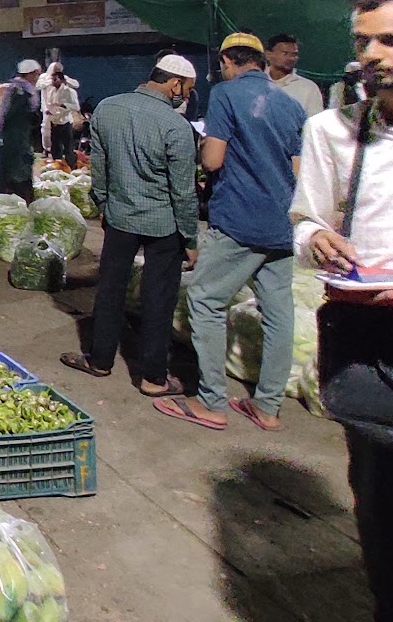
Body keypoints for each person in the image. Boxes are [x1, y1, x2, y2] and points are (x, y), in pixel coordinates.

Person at [296, 0, 393, 622]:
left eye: (391, 39)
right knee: (380, 513)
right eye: (363, 41)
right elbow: (304, 220)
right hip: (372, 346)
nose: (373, 55)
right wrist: (316, 237)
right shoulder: (329, 131)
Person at [158, 33, 304, 430]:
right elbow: (296, 169)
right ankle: (268, 407)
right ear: (261, 60)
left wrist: (206, 147)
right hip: (280, 222)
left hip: (240, 219)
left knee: (205, 299)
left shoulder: (225, 94)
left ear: (227, 60)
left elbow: (214, 159)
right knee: (278, 314)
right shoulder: (290, 104)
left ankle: (211, 401)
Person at [61, 53, 199, 394]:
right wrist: (191, 237)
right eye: (187, 89)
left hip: (120, 218)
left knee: (109, 288)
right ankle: (153, 378)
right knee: (158, 298)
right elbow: (183, 192)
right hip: (163, 225)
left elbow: (100, 168)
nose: (186, 96)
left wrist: (106, 204)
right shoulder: (177, 127)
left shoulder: (108, 109)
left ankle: (100, 360)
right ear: (174, 83)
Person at [0, 59, 43, 200]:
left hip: (17, 138)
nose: (37, 77)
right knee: (17, 172)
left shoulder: (18, 88)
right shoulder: (20, 92)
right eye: (36, 74)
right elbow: (10, 116)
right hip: (15, 139)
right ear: (30, 74)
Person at [265, 32, 324, 117]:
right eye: (285, 53)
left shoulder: (308, 88)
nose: (291, 58)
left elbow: (315, 122)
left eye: (295, 54)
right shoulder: (255, 83)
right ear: (268, 55)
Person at [39, 62, 82, 163]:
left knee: (67, 144)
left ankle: (69, 163)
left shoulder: (68, 90)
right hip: (51, 115)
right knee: (49, 136)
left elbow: (75, 86)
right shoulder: (46, 80)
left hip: (63, 119)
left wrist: (63, 106)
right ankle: (50, 154)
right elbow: (40, 88)